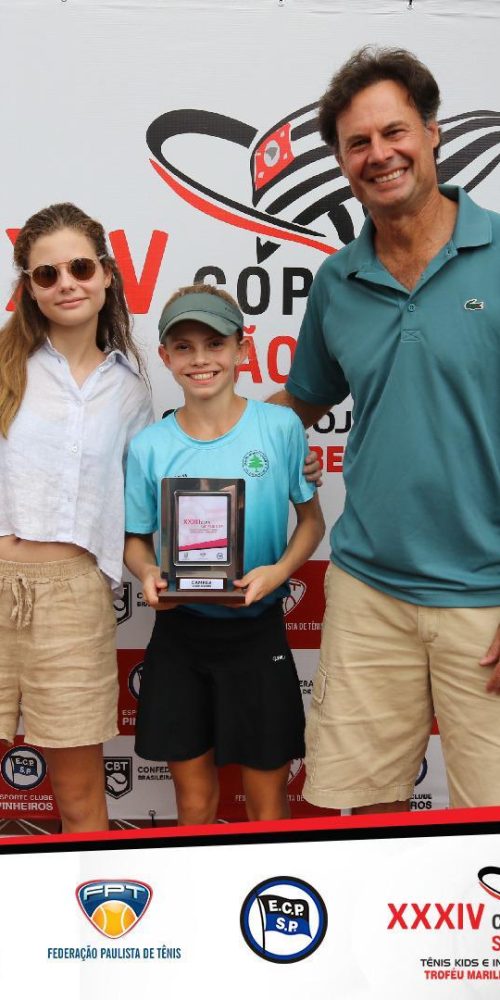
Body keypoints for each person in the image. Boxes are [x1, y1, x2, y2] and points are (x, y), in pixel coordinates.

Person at [268, 46, 500, 813]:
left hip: (488, 597)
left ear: (432, 133)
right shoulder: (339, 281)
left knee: (490, 822)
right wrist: (198, 438)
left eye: (394, 132)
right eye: (357, 142)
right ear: (342, 162)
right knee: (361, 818)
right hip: (369, 589)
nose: (379, 154)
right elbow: (303, 400)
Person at [124, 283, 324, 824]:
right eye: (183, 347)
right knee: (193, 804)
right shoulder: (149, 446)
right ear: (165, 356)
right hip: (180, 636)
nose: (201, 359)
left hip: (258, 635)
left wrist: (278, 572)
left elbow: (311, 523)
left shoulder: (280, 427)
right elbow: (135, 539)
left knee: (267, 805)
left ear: (242, 349)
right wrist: (147, 572)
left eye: (214, 343)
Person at [0, 203, 153, 832]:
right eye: (47, 274)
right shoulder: (4, 365)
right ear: (30, 288)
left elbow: (139, 505)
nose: (66, 283)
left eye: (80, 268)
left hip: (76, 597)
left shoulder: (131, 391)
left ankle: (86, 896)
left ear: (107, 275)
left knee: (81, 796)